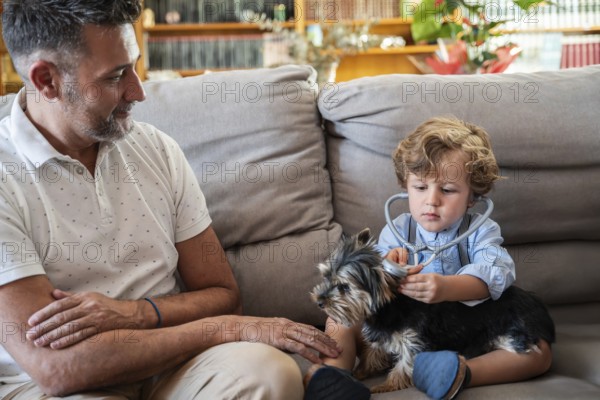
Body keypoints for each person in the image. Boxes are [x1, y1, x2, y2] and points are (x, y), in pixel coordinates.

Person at [0, 1, 341, 399]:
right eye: (116, 76)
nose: (138, 91)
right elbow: (58, 369)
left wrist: (134, 313)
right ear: (46, 81)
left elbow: (223, 293)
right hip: (60, 388)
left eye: (135, 66)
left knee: (268, 373)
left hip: (173, 364)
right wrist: (227, 328)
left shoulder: (154, 148)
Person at [304, 116, 552, 400]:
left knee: (539, 354)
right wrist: (386, 268)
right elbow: (367, 284)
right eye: (421, 187)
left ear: (472, 197)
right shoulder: (399, 229)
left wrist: (447, 288)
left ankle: (456, 372)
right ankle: (336, 374)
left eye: (447, 190)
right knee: (339, 316)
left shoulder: (479, 231)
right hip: (396, 326)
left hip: (468, 329)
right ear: (405, 186)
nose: (432, 200)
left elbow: (498, 271)